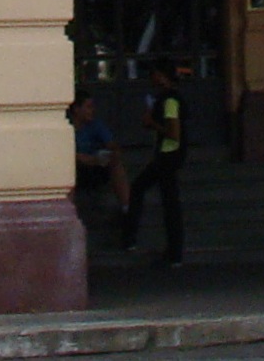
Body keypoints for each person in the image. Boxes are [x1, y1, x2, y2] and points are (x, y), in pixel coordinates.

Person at [116, 61, 186, 265]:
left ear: (163, 76)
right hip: (168, 155)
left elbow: (174, 133)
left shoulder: (170, 101)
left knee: (152, 195)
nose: (152, 78)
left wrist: (152, 123)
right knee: (167, 201)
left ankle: (135, 239)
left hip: (168, 155)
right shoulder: (168, 98)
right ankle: (173, 252)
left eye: (155, 74)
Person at [70, 93, 130, 231]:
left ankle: (127, 207)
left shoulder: (96, 125)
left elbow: (112, 145)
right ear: (76, 109)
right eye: (88, 107)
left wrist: (110, 153)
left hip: (95, 167)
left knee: (116, 165)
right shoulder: (67, 127)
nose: (92, 111)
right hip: (76, 169)